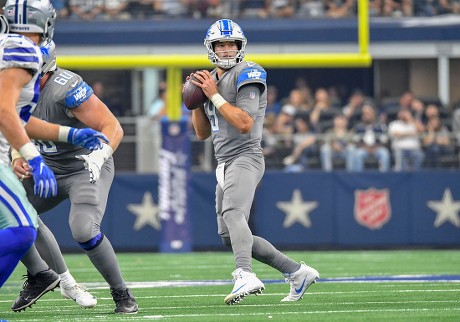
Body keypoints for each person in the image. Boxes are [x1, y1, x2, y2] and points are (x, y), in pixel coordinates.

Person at [190, 19, 319, 305]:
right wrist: (196, 101)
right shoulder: (211, 78)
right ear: (211, 48)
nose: (225, 50)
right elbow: (201, 133)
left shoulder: (248, 71)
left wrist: (211, 94)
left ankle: (244, 273)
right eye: (220, 45)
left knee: (234, 213)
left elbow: (245, 123)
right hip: (223, 161)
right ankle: (296, 272)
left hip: (245, 156)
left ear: (240, 46)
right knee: (229, 235)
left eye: (231, 44)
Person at [10, 40, 138, 314]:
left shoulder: (65, 87)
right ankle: (40, 275)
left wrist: (100, 155)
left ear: (43, 69)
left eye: (25, 71)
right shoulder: (10, 88)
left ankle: (122, 293)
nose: (17, 77)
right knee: (12, 215)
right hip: (45, 166)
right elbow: (13, 126)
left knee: (84, 230)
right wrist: (17, 156)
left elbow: (111, 126)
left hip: (85, 164)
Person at [0, 0, 106, 289]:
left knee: (22, 229)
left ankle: (43, 276)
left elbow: (17, 118)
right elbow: (6, 114)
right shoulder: (22, 50)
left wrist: (68, 135)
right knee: (22, 230)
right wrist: (33, 157)